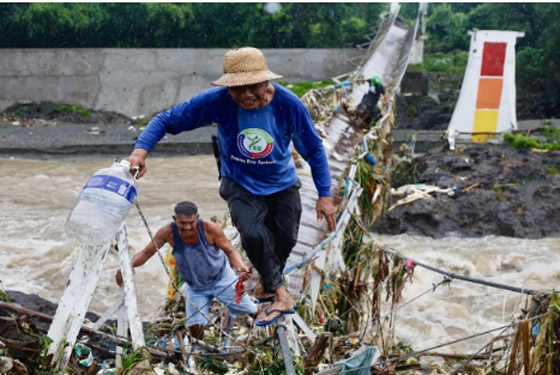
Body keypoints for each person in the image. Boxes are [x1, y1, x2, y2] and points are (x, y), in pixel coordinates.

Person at [125, 47, 336, 326]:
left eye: (253, 87)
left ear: (266, 82)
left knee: (285, 239)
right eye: (238, 89)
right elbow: (166, 120)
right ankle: (282, 296)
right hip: (240, 183)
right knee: (253, 234)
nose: (246, 95)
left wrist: (324, 194)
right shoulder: (218, 101)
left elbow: (313, 149)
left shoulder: (288, 104)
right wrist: (140, 152)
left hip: (282, 183)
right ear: (228, 87)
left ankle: (267, 285)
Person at [115, 201, 257, 339]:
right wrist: (128, 266)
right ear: (174, 219)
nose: (187, 227)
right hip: (196, 286)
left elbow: (230, 251)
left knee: (250, 310)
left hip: (221, 278)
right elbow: (146, 252)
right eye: (183, 223)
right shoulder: (167, 233)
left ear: (197, 218)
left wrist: (240, 267)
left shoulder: (210, 229)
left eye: (191, 222)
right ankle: (200, 351)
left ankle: (268, 325)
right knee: (194, 326)